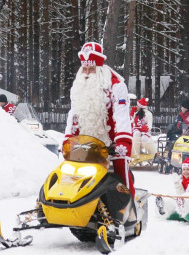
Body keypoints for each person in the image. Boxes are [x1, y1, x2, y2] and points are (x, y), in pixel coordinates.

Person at [63, 42, 135, 197]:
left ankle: (129, 209)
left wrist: (122, 143)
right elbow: (73, 114)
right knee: (65, 173)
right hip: (83, 144)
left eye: (91, 69)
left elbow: (122, 115)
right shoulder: (78, 86)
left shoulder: (116, 85)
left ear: (100, 68)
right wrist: (67, 139)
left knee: (120, 172)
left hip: (110, 143)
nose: (87, 73)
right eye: (85, 68)